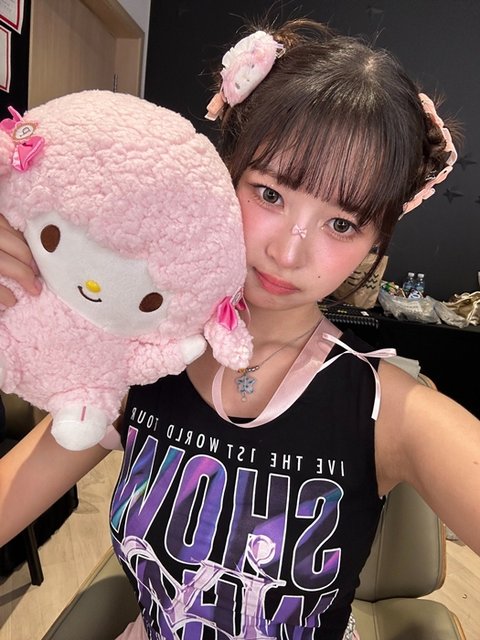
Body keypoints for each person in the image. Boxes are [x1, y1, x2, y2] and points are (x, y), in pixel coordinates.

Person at [0, 17, 479, 640]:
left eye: (341, 224)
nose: (288, 253)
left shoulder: (390, 411)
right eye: (270, 194)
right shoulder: (143, 353)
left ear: (375, 241)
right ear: (222, 174)